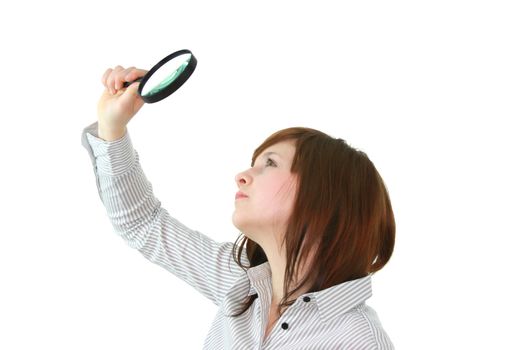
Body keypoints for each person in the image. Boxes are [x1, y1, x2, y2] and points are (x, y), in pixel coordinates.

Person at [81, 65, 396, 349]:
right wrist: (113, 127)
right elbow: (142, 223)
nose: (242, 177)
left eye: (270, 164)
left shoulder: (360, 341)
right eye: (254, 164)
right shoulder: (240, 282)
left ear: (325, 197)